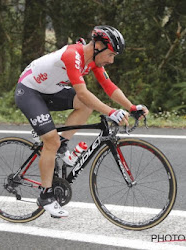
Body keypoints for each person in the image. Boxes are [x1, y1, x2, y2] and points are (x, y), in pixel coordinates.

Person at [15, 25, 149, 218]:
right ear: (98, 46)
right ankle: (45, 196)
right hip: (29, 91)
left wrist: (131, 107)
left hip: (50, 91)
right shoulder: (73, 55)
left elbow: (109, 86)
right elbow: (83, 93)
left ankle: (62, 144)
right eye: (110, 55)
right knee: (51, 140)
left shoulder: (92, 61)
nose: (111, 60)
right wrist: (111, 112)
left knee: (85, 107)